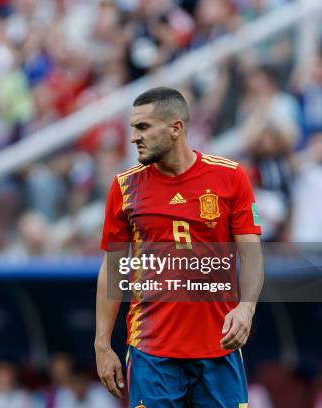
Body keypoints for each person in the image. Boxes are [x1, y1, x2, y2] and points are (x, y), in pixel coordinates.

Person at [95, 87, 263, 406]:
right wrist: (102, 344)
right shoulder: (124, 187)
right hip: (151, 350)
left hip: (219, 347)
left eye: (143, 127)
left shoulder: (230, 177)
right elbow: (113, 269)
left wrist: (247, 307)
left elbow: (251, 252)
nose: (133, 137)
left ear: (176, 129)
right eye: (132, 128)